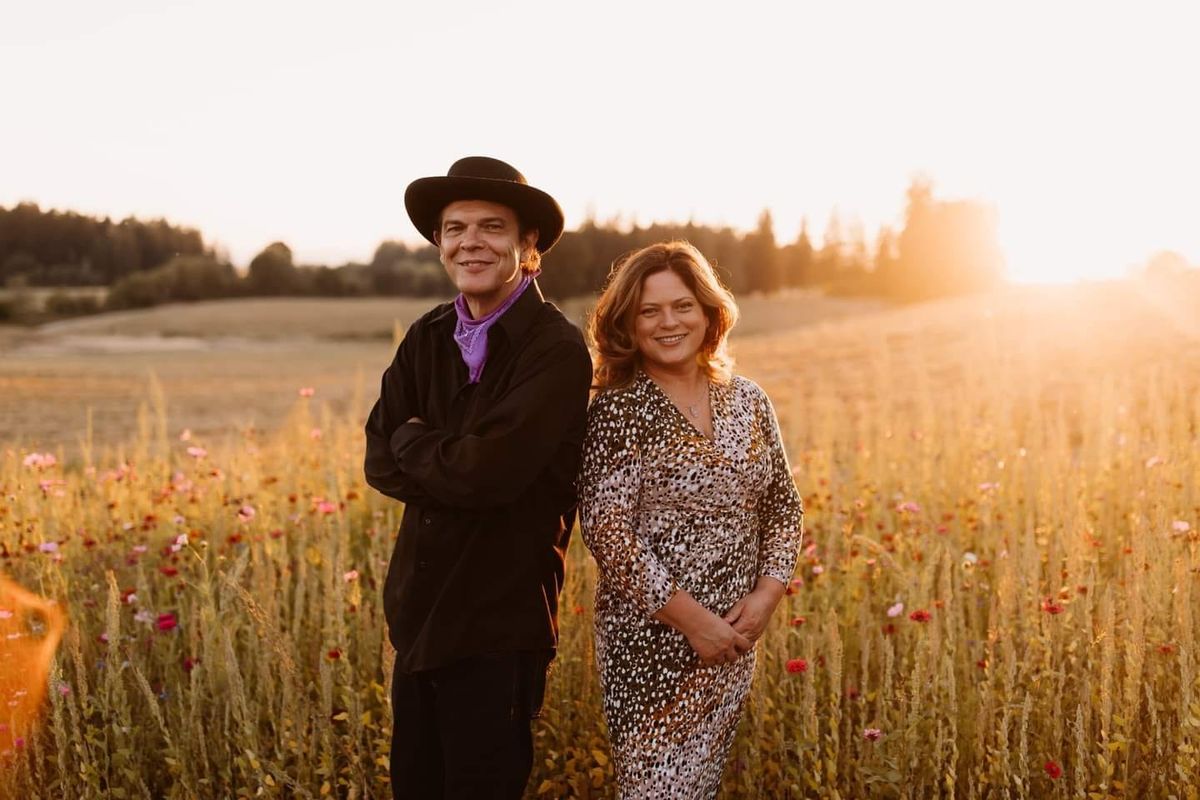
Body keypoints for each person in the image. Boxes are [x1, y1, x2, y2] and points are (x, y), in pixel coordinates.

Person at [363, 156, 593, 799]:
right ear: (439, 244)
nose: (471, 242)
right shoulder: (426, 336)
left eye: (492, 227)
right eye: (455, 228)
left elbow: (487, 476)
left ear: (528, 246)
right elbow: (376, 459)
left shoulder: (555, 348)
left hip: (498, 624)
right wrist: (447, 456)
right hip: (418, 616)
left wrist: (414, 436)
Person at [578, 240, 804, 798]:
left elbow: (783, 506)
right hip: (651, 645)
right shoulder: (617, 409)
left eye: (682, 305)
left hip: (733, 640)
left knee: (699, 787)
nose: (668, 322)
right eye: (649, 311)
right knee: (658, 789)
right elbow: (610, 534)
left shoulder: (748, 401)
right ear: (628, 324)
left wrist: (767, 596)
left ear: (709, 312)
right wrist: (694, 623)